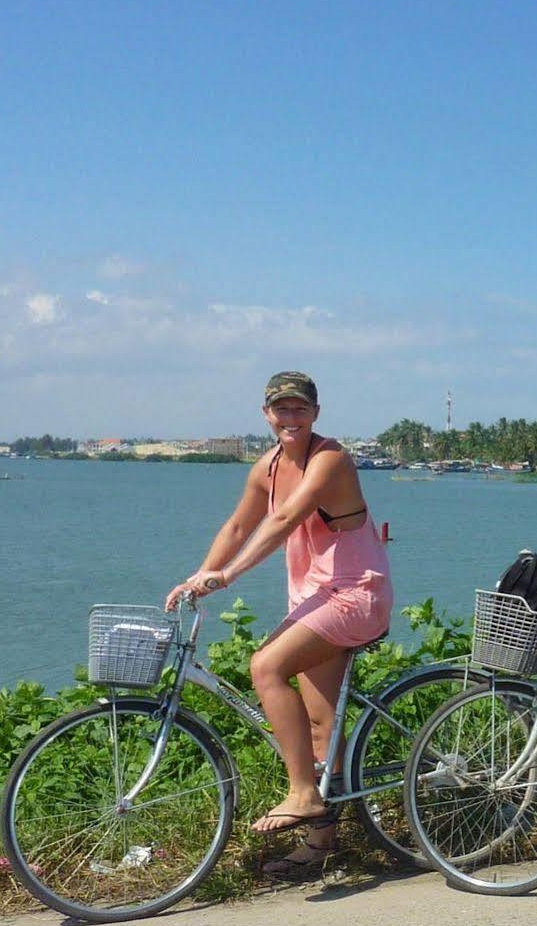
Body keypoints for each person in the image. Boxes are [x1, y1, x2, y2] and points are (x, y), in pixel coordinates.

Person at [165, 371, 393, 876]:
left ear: (315, 413)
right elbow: (240, 524)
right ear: (266, 414)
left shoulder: (329, 458)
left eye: (300, 409)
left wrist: (227, 576)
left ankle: (302, 792)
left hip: (355, 594)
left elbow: (287, 519)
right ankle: (324, 840)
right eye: (280, 409)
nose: (290, 418)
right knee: (319, 724)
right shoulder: (266, 466)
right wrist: (199, 574)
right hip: (317, 600)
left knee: (266, 667)